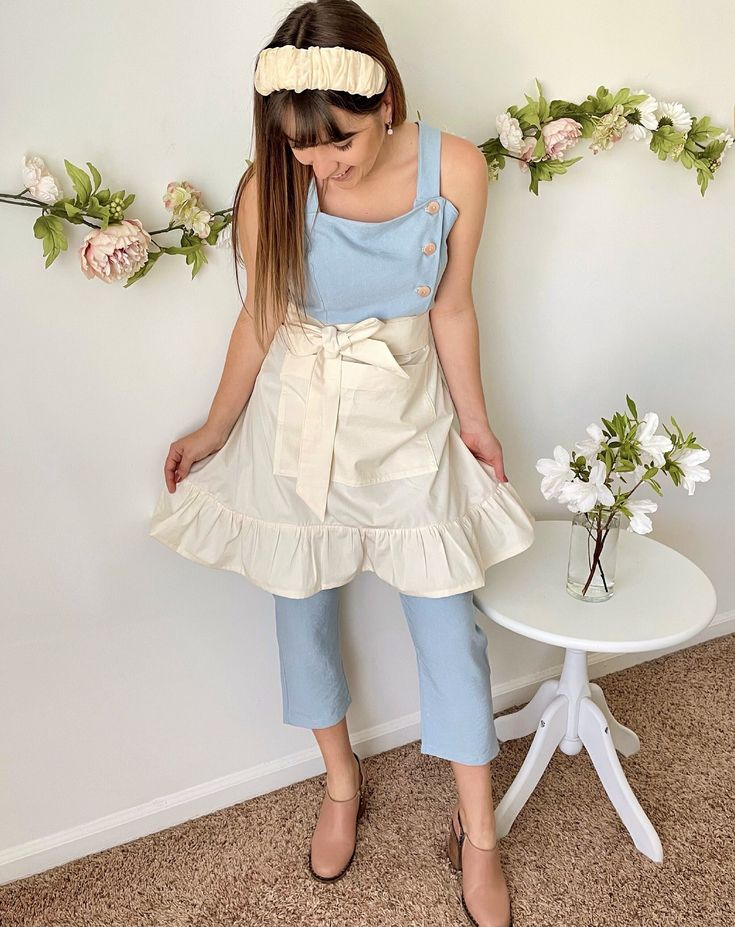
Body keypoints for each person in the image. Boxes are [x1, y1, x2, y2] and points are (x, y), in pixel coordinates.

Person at [149, 2, 536, 924]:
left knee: (450, 629)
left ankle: (475, 831)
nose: (323, 167)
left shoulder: (458, 168)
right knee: (302, 613)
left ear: (387, 100)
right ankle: (339, 779)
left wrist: (475, 425)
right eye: (301, 151)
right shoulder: (266, 190)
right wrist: (212, 430)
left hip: (406, 416)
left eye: (342, 145)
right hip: (298, 421)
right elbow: (261, 319)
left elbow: (450, 308)